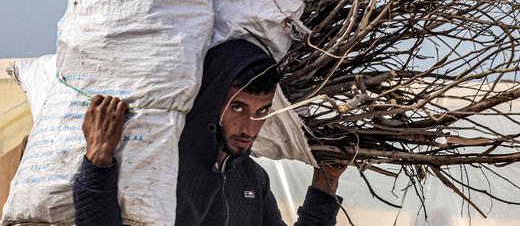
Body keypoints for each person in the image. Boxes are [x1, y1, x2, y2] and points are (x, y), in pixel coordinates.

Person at [73, 39, 346, 225]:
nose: (250, 128)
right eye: (238, 107)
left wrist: (325, 184)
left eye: (262, 111)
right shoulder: (167, 165)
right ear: (213, 101)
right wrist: (98, 160)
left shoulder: (251, 178)